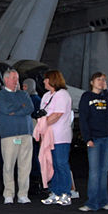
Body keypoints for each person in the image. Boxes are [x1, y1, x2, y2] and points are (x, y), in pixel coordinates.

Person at [0, 69, 35, 204]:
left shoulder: (24, 94)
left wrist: (15, 109)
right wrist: (20, 107)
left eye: (17, 78)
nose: (16, 81)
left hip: (26, 133)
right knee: (8, 166)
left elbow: (30, 108)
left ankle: (23, 194)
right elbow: (6, 109)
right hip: (9, 135)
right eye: (13, 78)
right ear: (6, 80)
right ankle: (8, 194)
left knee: (25, 166)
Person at [78, 72, 108, 212]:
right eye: (98, 79)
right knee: (94, 171)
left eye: (103, 80)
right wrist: (87, 138)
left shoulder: (105, 97)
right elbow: (83, 119)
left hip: (107, 138)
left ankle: (103, 200)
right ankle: (91, 202)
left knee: (104, 171)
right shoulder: (87, 97)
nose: (101, 82)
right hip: (94, 138)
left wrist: (106, 92)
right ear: (92, 82)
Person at [38, 70, 74, 206]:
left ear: (52, 80)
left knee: (61, 163)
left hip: (60, 137)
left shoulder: (63, 95)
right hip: (48, 136)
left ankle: (65, 193)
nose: (43, 82)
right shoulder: (46, 95)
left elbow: (57, 114)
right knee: (51, 164)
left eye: (45, 79)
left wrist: (43, 123)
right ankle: (55, 192)